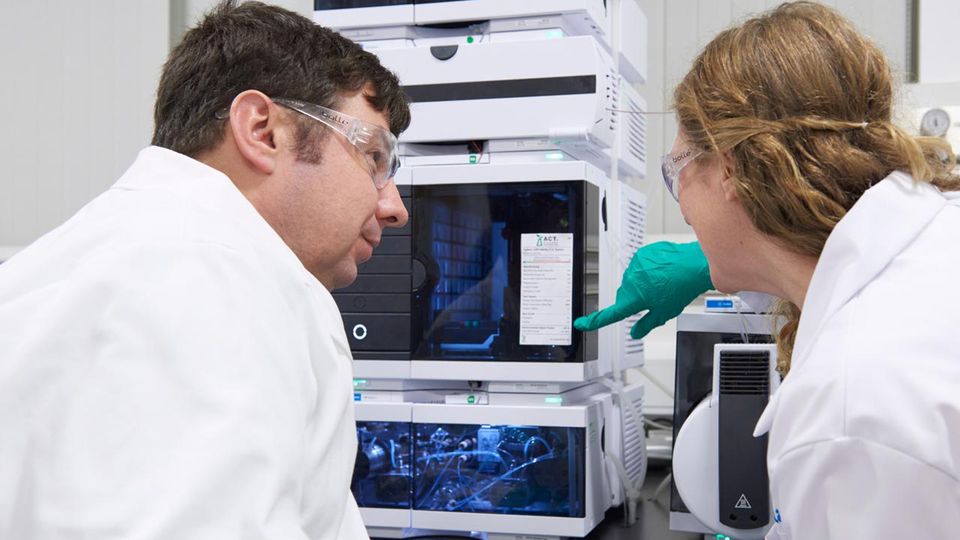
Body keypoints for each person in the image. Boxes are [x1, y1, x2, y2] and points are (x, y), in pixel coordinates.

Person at [0, 2, 409, 538]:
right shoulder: (211, 280)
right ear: (262, 130)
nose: (394, 205)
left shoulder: (59, 265)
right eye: (374, 157)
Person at [577, 2, 960, 538]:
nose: (681, 205)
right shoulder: (933, 235)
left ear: (731, 167)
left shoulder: (850, 411)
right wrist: (729, 264)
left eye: (676, 170)